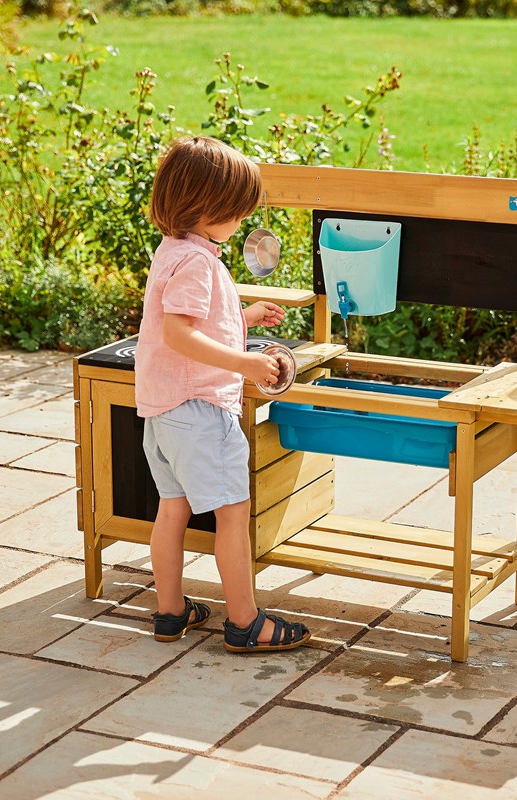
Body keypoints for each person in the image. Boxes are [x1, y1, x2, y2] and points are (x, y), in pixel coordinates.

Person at [135, 135, 310, 652]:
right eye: (237, 212)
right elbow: (180, 334)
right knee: (233, 513)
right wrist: (249, 362)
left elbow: (189, 317)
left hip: (163, 412)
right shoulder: (199, 263)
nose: (241, 222)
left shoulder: (176, 251)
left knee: (173, 509)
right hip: (199, 410)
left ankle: (170, 612)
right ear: (206, 206)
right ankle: (245, 623)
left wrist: (243, 316)